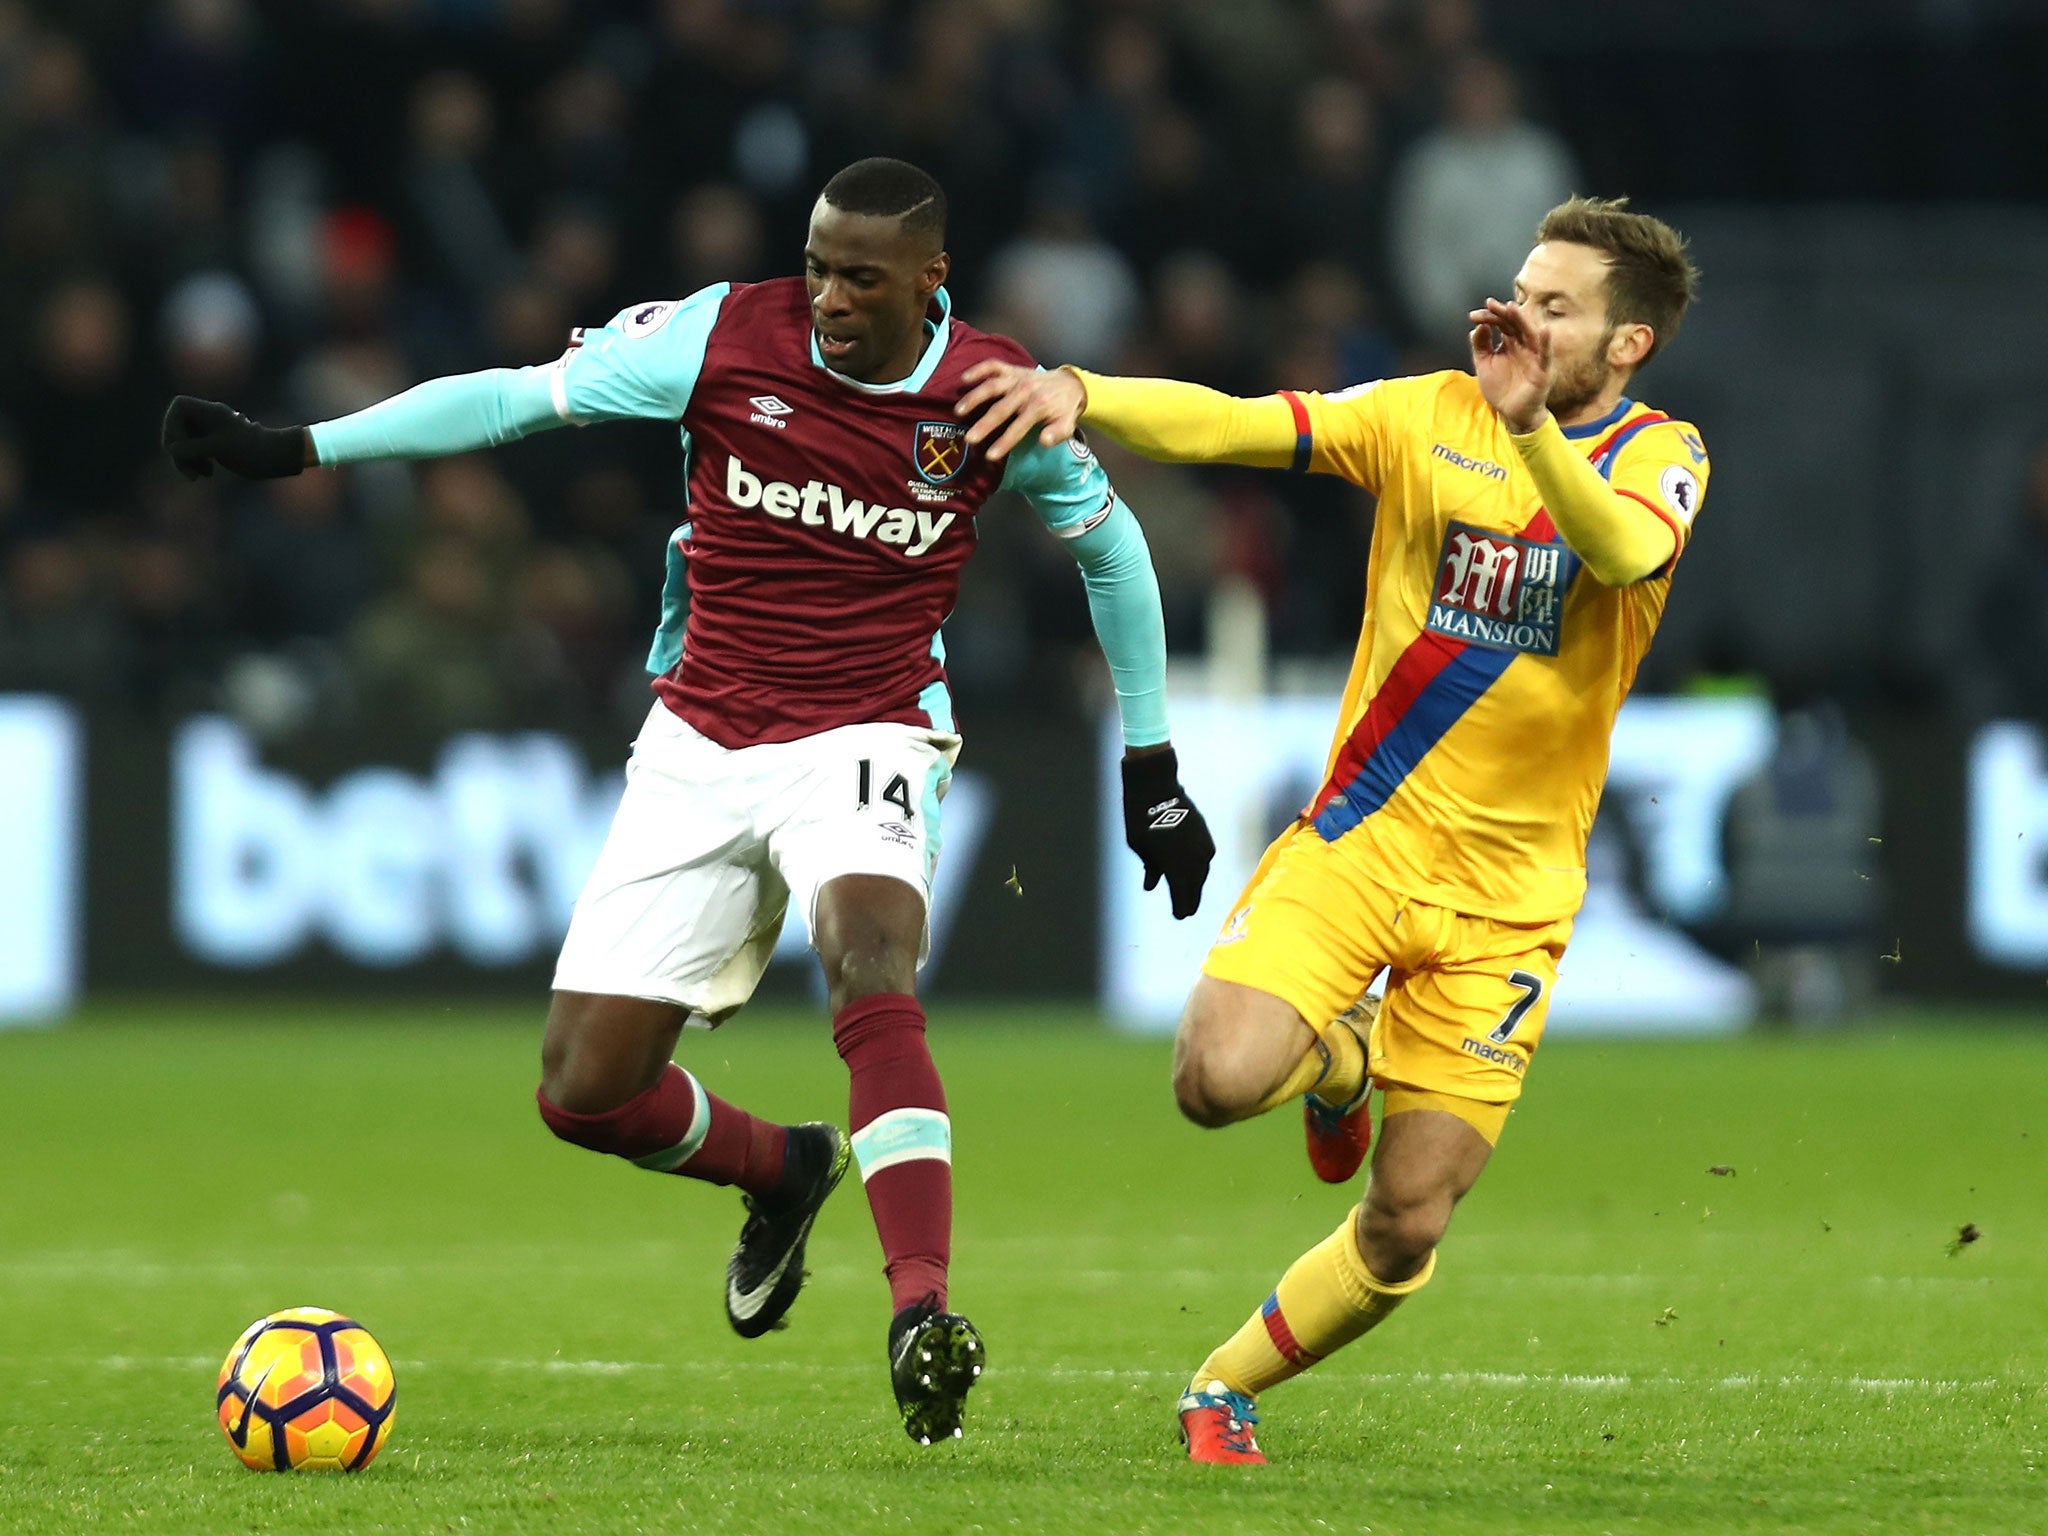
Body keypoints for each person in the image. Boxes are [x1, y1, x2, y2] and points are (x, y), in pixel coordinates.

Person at [162, 157, 1216, 1445]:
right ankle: (784, 1169)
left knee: (870, 958)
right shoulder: (722, 335)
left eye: (861, 277)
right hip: (700, 737)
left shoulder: (987, 396)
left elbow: (1113, 550)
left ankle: (921, 1313)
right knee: (583, 1092)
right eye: (819, 264)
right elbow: (514, 403)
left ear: (930, 280)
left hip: (870, 728)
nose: (828, 294)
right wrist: (299, 447)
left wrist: (1150, 765)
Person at [958, 195, 1707, 1464]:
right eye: (1519, 289)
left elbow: (1624, 555)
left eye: (1556, 304)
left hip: (1512, 897)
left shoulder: (1659, 454)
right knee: (1213, 1082)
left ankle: (1221, 1387)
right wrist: (1081, 389)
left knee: (1408, 1219)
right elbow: (1242, 426)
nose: (1519, 317)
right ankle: (1345, 1066)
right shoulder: (1426, 413)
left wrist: (1529, 436)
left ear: (1625, 344)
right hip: (1364, 832)